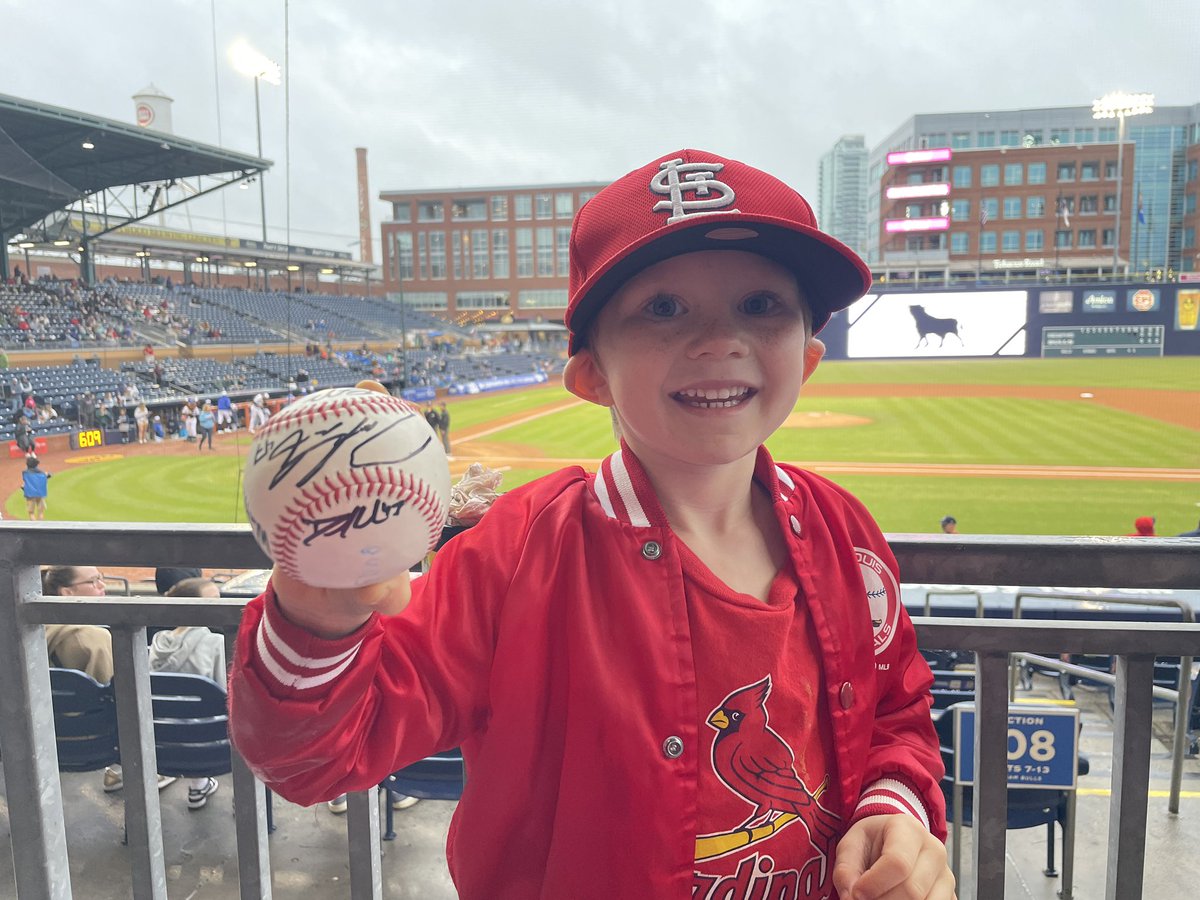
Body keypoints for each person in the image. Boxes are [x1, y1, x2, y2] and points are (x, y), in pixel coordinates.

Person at [228, 148, 950, 899]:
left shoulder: (844, 530)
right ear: (591, 375)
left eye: (760, 305)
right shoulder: (516, 551)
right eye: (664, 309)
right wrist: (321, 607)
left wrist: (894, 807)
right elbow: (314, 760)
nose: (719, 339)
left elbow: (896, 710)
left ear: (806, 357)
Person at [41, 566, 176, 793]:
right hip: (94, 744)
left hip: (43, 740)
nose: (103, 586)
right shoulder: (92, 639)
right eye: (93, 581)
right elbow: (123, 703)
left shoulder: (30, 631)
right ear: (67, 593)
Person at [147, 577, 225, 809]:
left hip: (161, 738)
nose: (220, 605)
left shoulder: (158, 642)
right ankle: (204, 788)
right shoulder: (216, 642)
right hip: (210, 742)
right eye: (213, 601)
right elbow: (227, 695)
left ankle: (199, 785)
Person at [22, 455, 50, 520]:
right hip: (40, 494)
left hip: (30, 494)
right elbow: (48, 475)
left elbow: (26, 480)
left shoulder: (25, 473)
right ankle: (40, 527)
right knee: (41, 512)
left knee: (31, 512)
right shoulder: (42, 473)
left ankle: (34, 528)